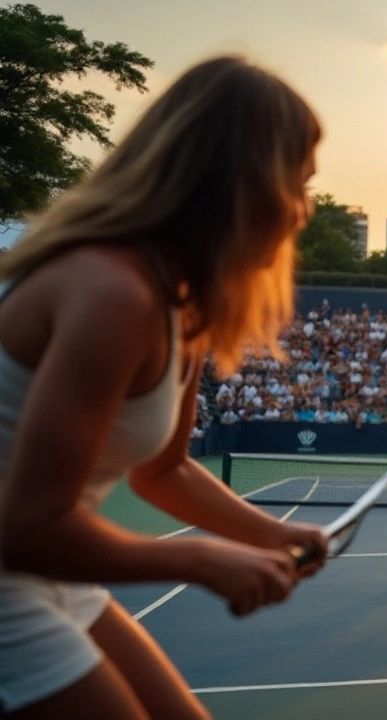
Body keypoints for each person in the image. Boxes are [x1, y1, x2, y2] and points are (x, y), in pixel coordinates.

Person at [0, 56, 328, 719]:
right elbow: (27, 528)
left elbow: (164, 470)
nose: (304, 210)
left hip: (45, 575)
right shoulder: (113, 294)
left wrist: (270, 535)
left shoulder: (185, 305)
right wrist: (201, 560)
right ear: (244, 181)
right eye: (298, 182)